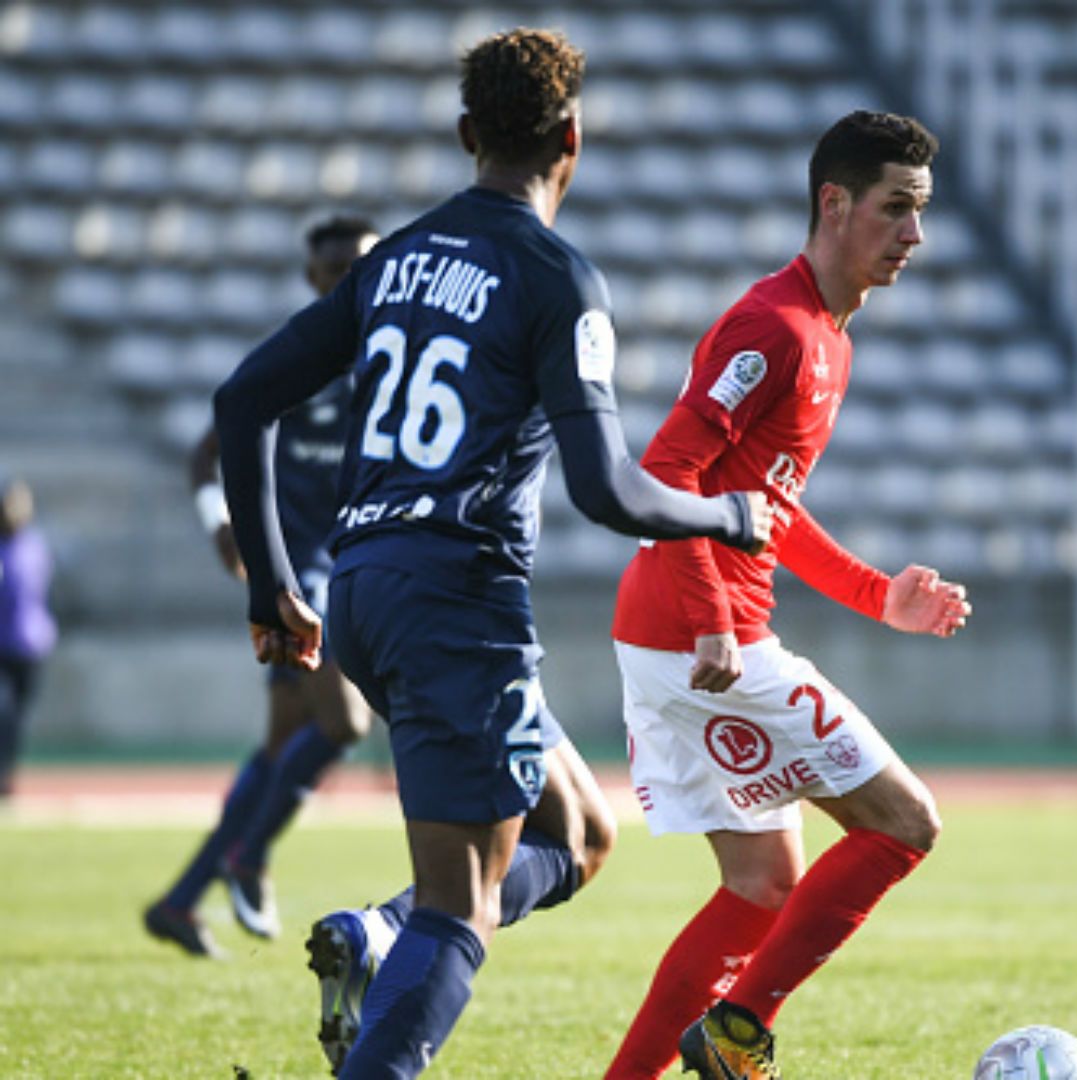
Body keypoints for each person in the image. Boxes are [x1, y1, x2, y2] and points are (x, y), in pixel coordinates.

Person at [212, 28, 772, 1078]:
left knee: (581, 834)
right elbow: (609, 489)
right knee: (462, 906)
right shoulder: (558, 277)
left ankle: (379, 939)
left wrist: (273, 586)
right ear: (572, 138)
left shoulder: (396, 258)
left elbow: (244, 399)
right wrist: (726, 515)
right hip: (454, 601)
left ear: (470, 134)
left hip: (363, 586)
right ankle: (401, 965)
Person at [602, 110, 970, 1080]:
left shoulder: (830, 336)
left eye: (921, 214)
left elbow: (765, 506)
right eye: (897, 210)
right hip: (702, 638)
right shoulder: (776, 326)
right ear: (833, 203)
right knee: (906, 822)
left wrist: (874, 595)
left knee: (761, 887)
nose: (914, 237)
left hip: (670, 633)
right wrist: (717, 622)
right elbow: (669, 474)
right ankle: (737, 1032)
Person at [145, 215, 380, 959]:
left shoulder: (390, 356)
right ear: (312, 279)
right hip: (296, 575)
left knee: (283, 748)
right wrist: (219, 520)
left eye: (359, 266)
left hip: (354, 567)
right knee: (344, 723)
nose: (346, 279)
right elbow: (207, 451)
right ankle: (248, 857)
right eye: (333, 269)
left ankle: (183, 901)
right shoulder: (299, 354)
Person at [0, 475, 57, 801]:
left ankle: (8, 773)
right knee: (3, 711)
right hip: (2, 646)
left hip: (30, 646)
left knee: (16, 716)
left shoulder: (35, 546)